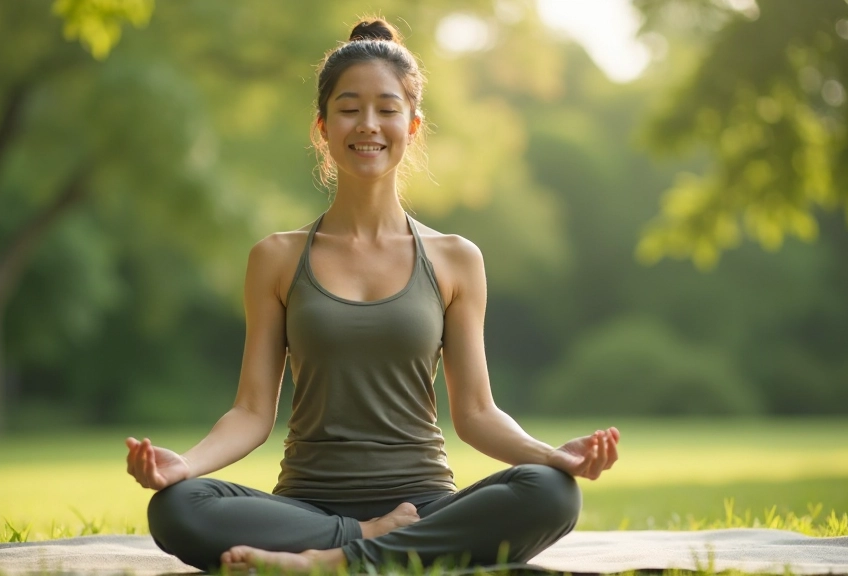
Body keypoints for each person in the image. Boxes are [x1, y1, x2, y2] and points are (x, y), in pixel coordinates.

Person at [125, 17, 620, 573]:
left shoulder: (456, 259)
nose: (368, 124)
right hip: (308, 509)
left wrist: (552, 456)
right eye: (348, 107)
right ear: (322, 126)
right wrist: (183, 468)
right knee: (178, 508)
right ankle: (365, 545)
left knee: (552, 492)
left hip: (424, 505)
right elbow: (250, 412)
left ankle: (333, 564)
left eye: (386, 108)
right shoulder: (276, 258)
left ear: (413, 125)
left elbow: (477, 412)